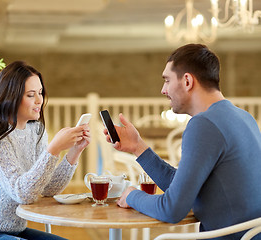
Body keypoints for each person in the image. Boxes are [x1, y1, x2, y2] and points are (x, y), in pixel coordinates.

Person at [105, 44, 261, 239]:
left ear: (187, 80)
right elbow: (180, 186)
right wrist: (138, 147)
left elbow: (171, 210)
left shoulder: (203, 124)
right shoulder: (244, 117)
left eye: (167, 80)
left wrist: (132, 195)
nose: (163, 90)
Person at [0, 61, 91, 240]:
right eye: (31, 95)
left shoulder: (36, 130)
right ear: (11, 97)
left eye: (40, 93)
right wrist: (54, 148)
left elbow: (48, 188)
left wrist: (74, 151)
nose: (39, 101)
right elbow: (22, 194)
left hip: (14, 230)